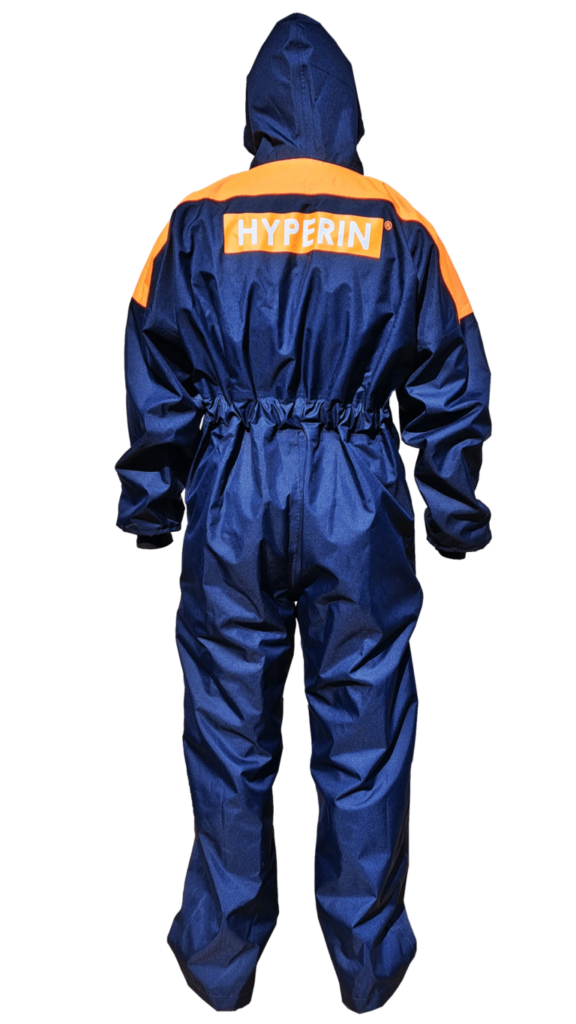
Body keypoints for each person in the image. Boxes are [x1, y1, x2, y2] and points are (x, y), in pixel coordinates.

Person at [114, 11, 492, 1015]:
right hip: (357, 495)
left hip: (233, 493)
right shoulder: (400, 222)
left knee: (227, 731)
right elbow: (453, 376)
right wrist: (452, 511)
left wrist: (151, 501)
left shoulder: (197, 217)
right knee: (366, 731)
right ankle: (368, 968)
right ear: (349, 110)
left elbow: (153, 363)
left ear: (256, 113)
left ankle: (219, 964)